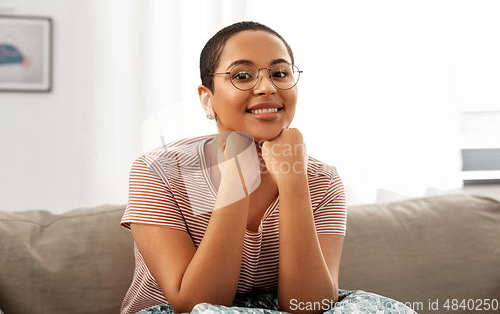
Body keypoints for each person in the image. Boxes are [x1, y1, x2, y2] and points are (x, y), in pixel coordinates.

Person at [120, 21, 417, 314]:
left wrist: (293, 182)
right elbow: (195, 305)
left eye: (279, 73)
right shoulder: (158, 171)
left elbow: (309, 307)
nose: (266, 87)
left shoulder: (323, 181)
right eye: (243, 75)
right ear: (207, 100)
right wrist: (237, 176)